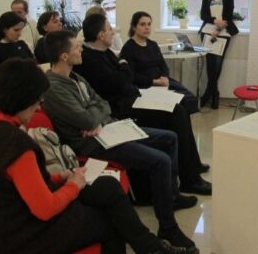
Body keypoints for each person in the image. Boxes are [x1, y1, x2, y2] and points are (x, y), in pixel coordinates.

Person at [0, 58, 190, 254]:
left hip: (6, 224)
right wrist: (74, 185)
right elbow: (45, 208)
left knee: (107, 186)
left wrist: (60, 178)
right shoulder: (13, 143)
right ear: (21, 97)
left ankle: (151, 248)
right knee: (111, 221)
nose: (39, 106)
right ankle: (151, 247)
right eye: (38, 99)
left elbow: (10, 182)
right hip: (27, 235)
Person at [42, 30, 199, 252]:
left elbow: (103, 103)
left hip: (107, 130)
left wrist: (94, 118)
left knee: (170, 138)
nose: (81, 49)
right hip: (93, 144)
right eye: (76, 47)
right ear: (64, 56)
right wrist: (93, 118)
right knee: (161, 160)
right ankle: (168, 227)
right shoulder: (54, 87)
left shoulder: (75, 77)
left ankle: (171, 196)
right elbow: (86, 119)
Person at [75, 14, 211, 195]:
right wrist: (124, 68)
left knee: (181, 107)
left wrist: (124, 70)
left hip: (135, 97)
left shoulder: (106, 52)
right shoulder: (91, 59)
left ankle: (191, 168)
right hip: (121, 108)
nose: (113, 32)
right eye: (109, 29)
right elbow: (122, 81)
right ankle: (190, 179)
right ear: (100, 35)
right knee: (177, 112)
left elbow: (125, 76)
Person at [120, 12, 198, 115]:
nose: (147, 27)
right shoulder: (128, 48)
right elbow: (132, 76)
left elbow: (163, 66)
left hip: (162, 81)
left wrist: (165, 78)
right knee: (178, 105)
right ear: (134, 27)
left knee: (190, 99)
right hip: (145, 85)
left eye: (149, 24)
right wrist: (155, 82)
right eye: (142, 24)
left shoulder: (153, 45)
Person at [198, 0, 239, 109]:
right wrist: (215, 21)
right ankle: (214, 94)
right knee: (209, 64)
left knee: (218, 63)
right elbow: (203, 15)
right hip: (207, 32)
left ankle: (207, 94)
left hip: (224, 32)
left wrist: (218, 29)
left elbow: (228, 14)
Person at [0, 11, 34, 79]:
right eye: (16, 30)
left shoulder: (22, 44)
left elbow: (32, 63)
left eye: (21, 30)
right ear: (5, 30)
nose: (19, 34)